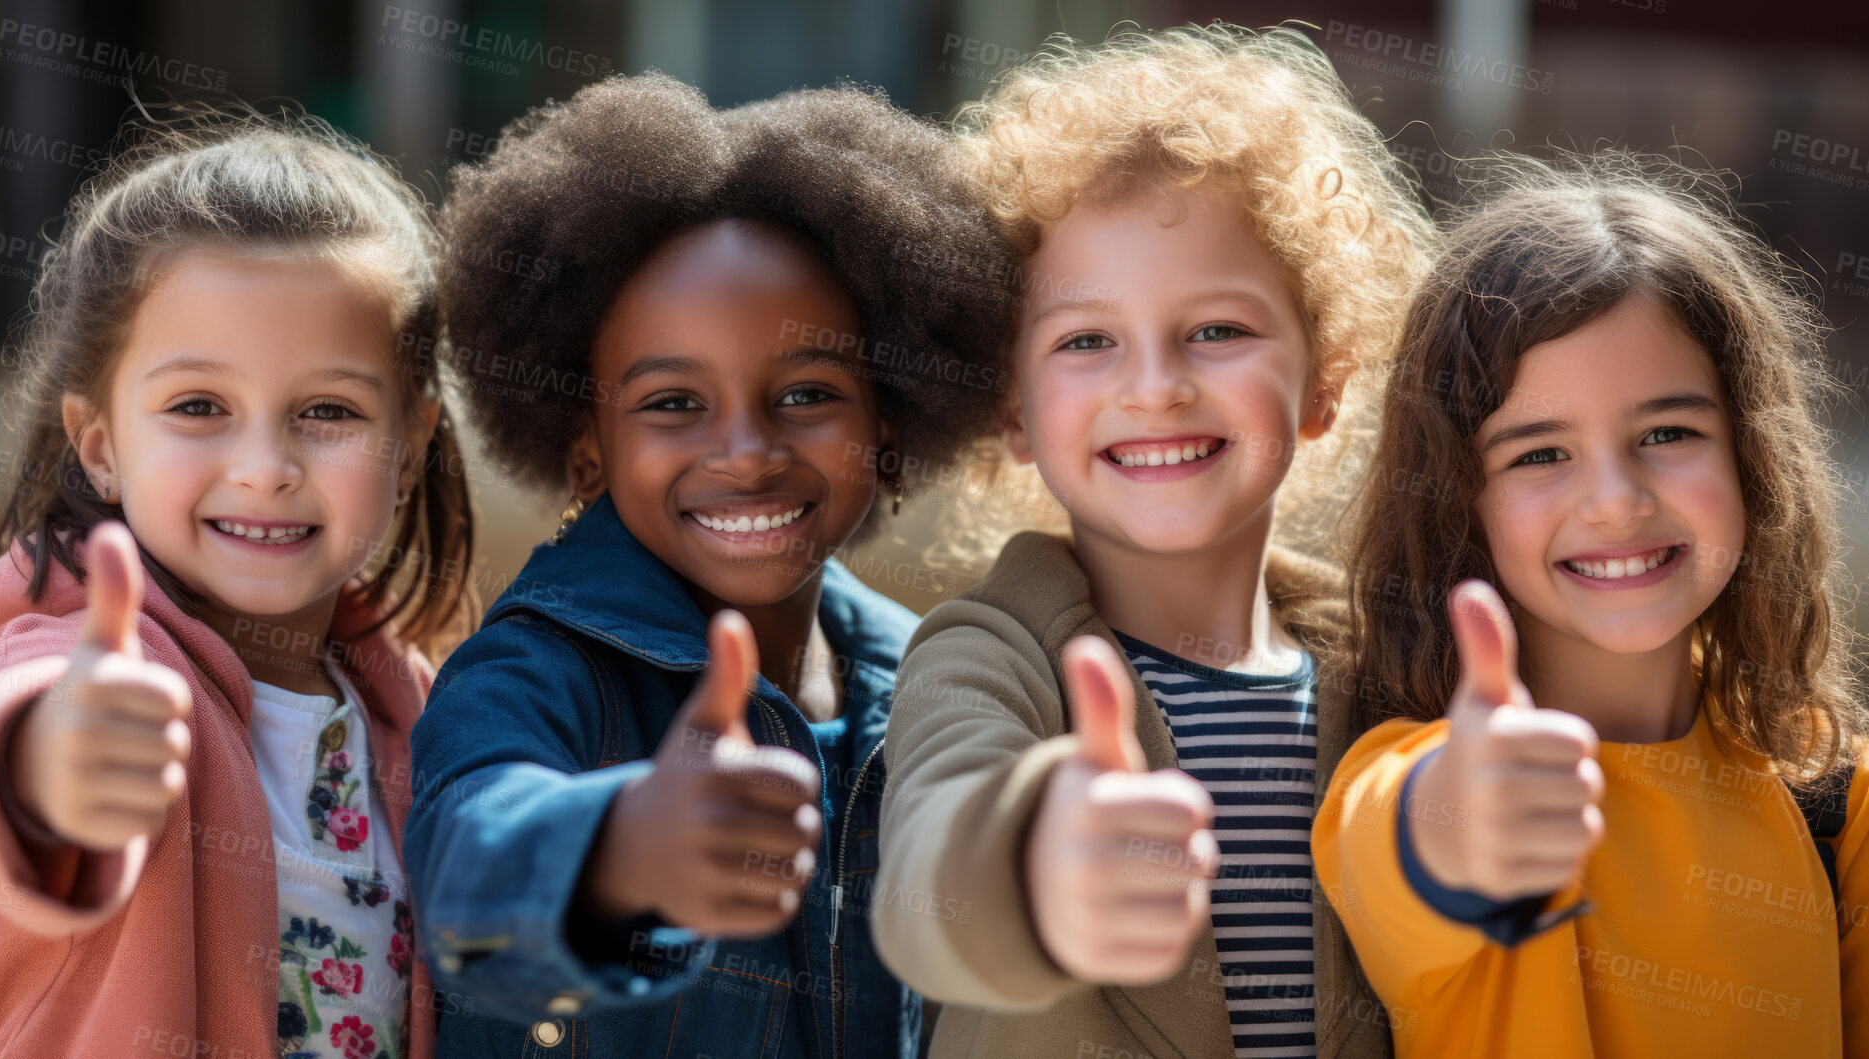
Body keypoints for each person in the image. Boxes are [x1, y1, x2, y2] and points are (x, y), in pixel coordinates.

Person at [404, 72, 1015, 1056]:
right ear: (585, 445)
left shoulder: (931, 681)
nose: (743, 450)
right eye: (673, 403)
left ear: (890, 424)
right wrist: (618, 845)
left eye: (807, 393)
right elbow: (461, 886)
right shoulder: (532, 670)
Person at [870, 23, 1434, 1059]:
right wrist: (1038, 861)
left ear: (1325, 382)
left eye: (1216, 330)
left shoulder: (1387, 675)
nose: (1154, 385)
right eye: (1085, 342)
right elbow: (924, 884)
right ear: (1008, 409)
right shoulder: (987, 656)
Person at [1313, 150, 1869, 1057]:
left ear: (1752, 461)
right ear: (1455, 499)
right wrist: (1465, 808)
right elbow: (1414, 838)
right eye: (1538, 453)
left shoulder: (1833, 799)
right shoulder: (1412, 769)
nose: (1614, 498)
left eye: (1666, 432)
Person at [0, 111, 475, 1059]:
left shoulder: (411, 708)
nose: (264, 465)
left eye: (327, 410)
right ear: (102, 446)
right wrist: (49, 774)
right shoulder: (82, 660)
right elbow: (21, 747)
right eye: (199, 406)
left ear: (410, 448)